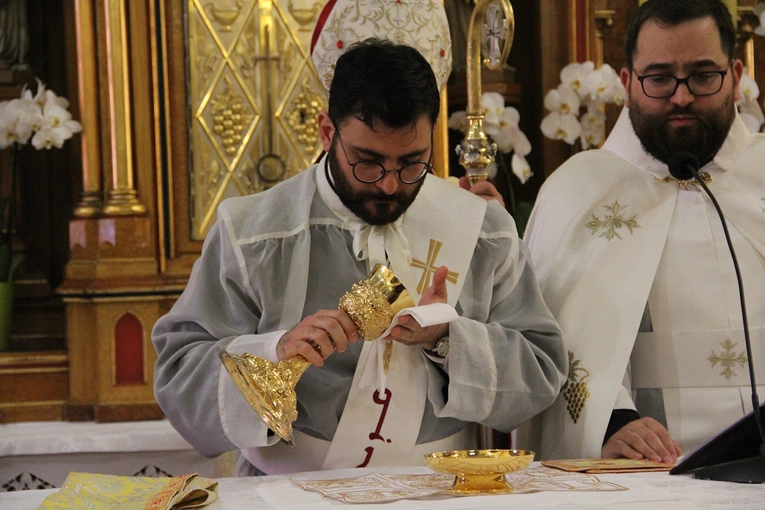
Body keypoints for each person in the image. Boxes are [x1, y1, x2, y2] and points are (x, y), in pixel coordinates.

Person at [152, 37, 567, 476]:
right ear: (327, 132)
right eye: (368, 162)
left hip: (439, 492)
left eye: (412, 163)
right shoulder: (253, 231)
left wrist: (447, 340)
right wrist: (275, 352)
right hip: (289, 492)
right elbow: (179, 375)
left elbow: (541, 372)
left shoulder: (483, 232)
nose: (390, 185)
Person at [519, 0, 765, 463]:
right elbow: (550, 337)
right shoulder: (578, 189)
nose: (681, 96)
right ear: (627, 83)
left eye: (702, 74)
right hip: (645, 469)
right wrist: (609, 422)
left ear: (734, 77)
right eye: (659, 78)